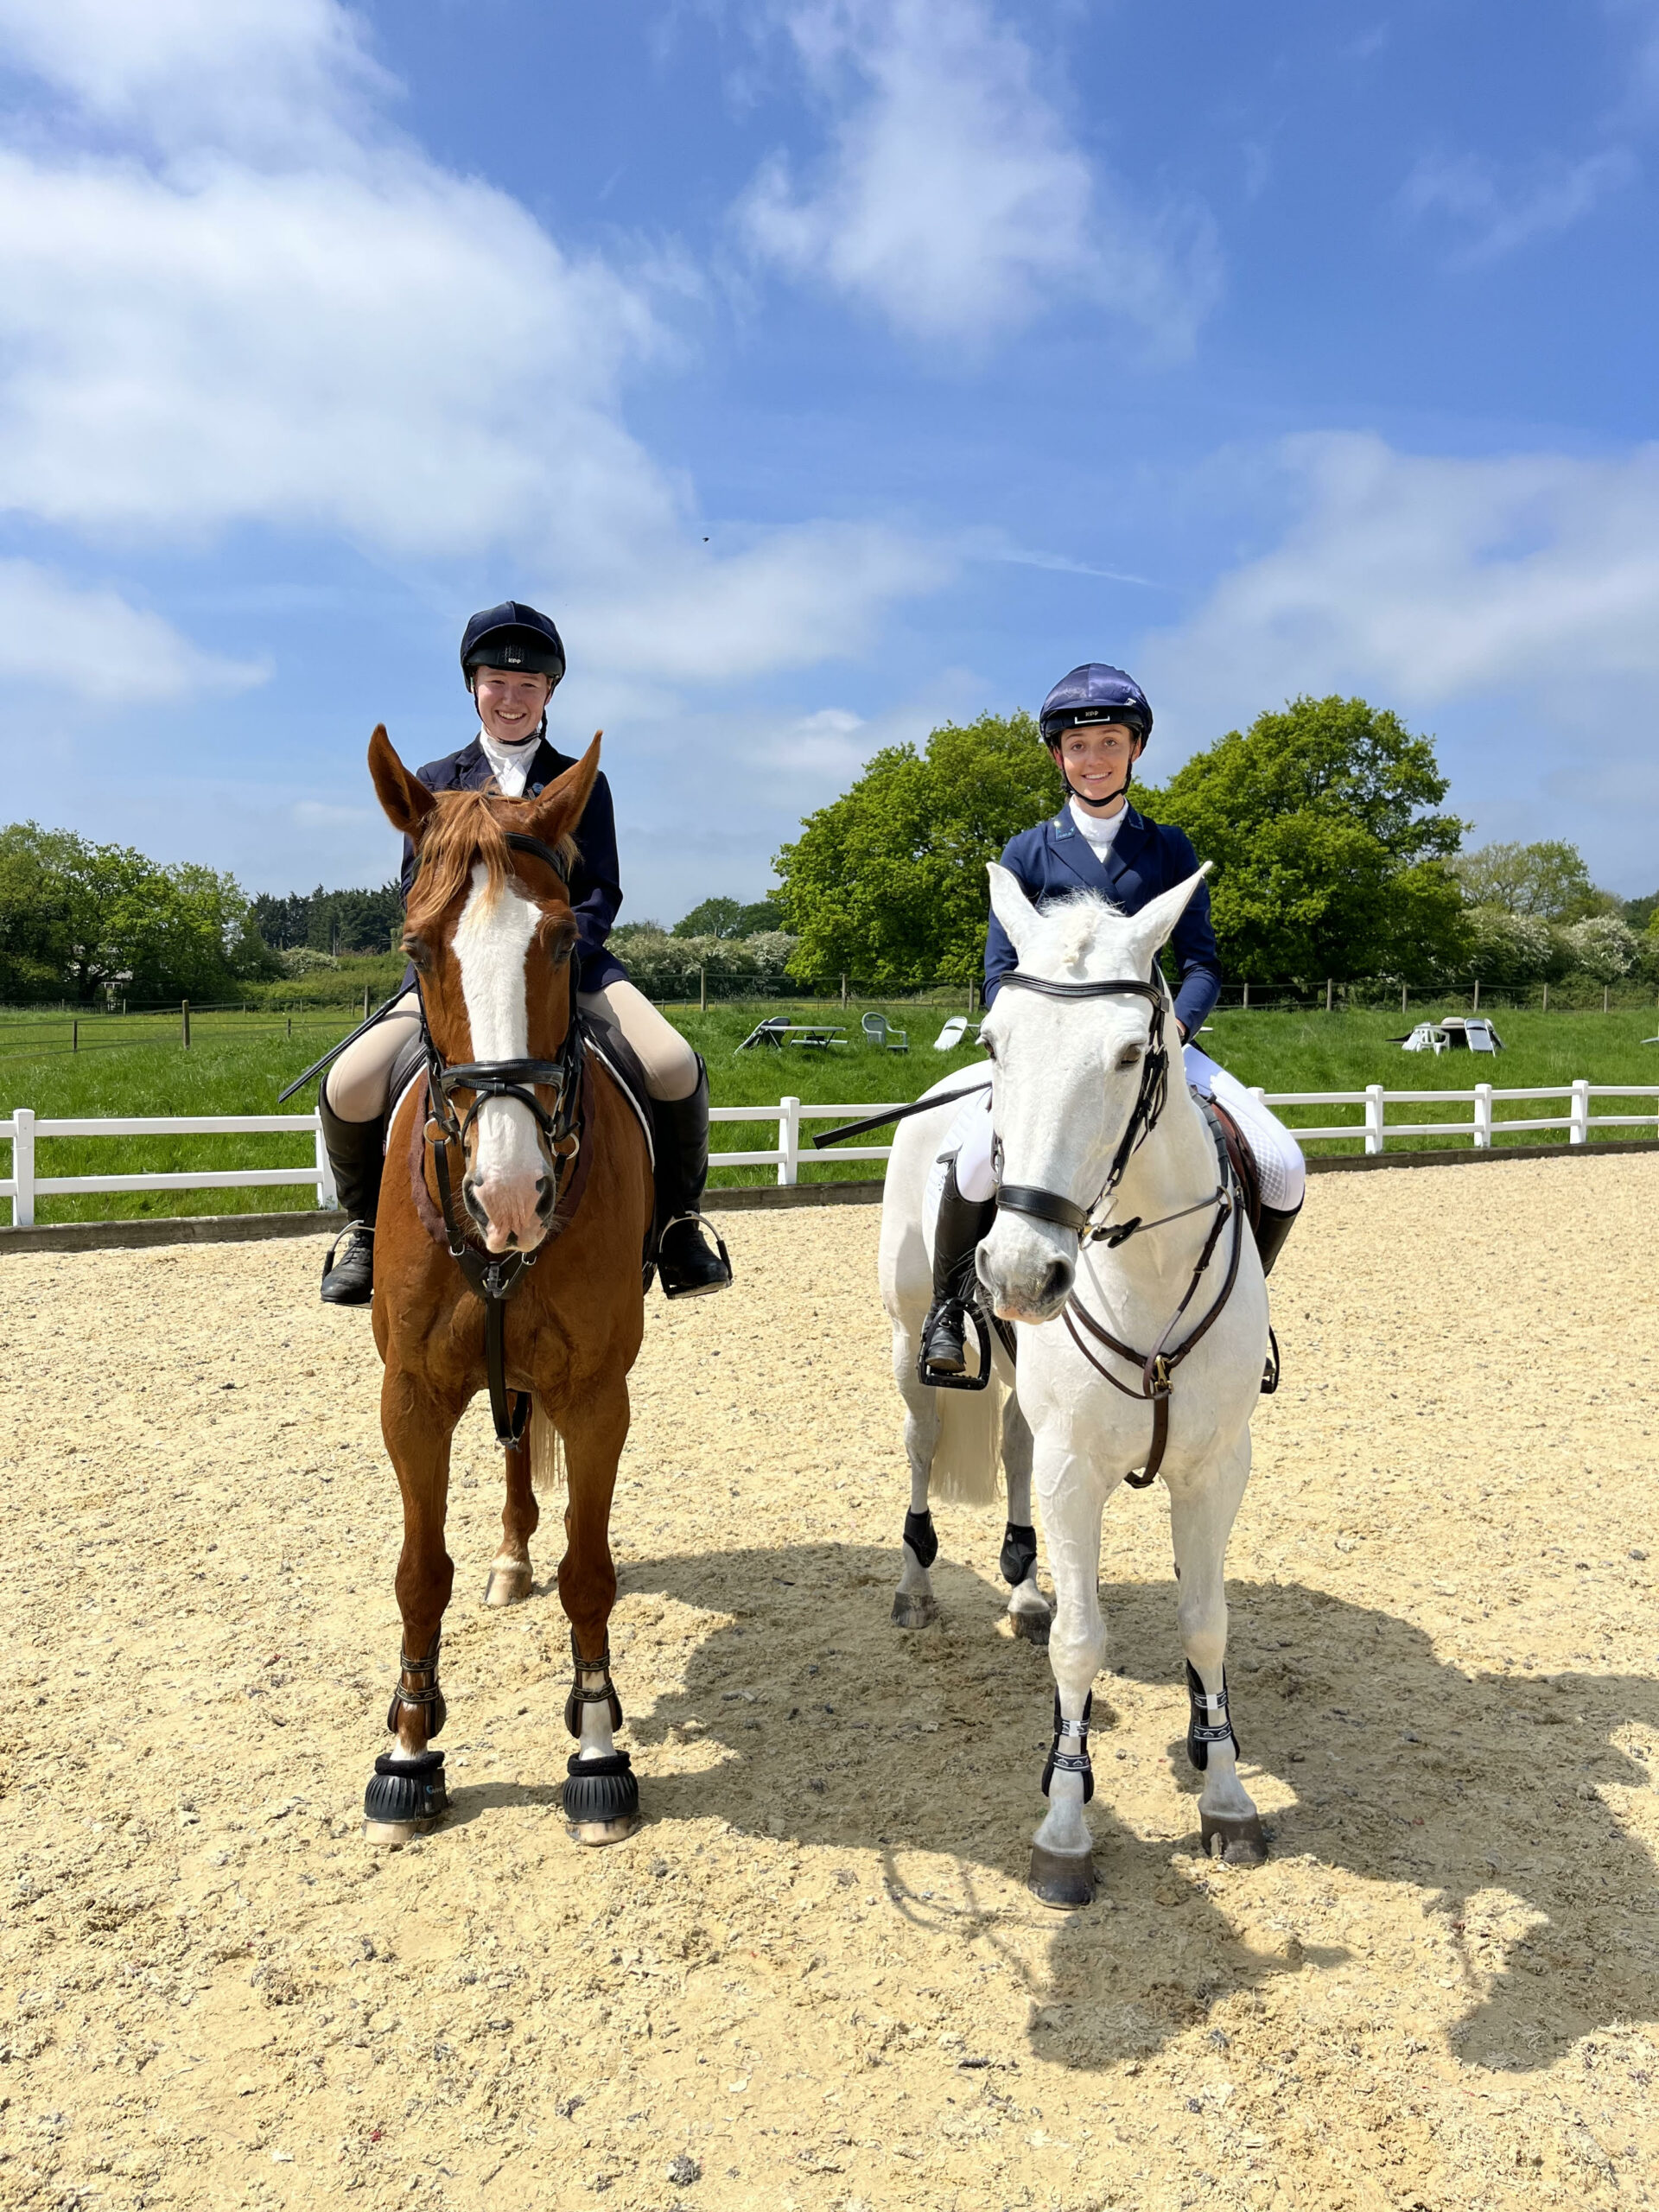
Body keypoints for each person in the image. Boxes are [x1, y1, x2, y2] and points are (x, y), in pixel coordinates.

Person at [316, 600, 734, 1306]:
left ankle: (678, 1228)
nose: (511, 699)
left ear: (548, 694)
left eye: (528, 686)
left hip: (570, 966)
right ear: (473, 686)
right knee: (348, 1084)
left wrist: (559, 959)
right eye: (497, 684)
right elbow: (415, 887)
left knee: (673, 1065)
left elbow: (601, 889)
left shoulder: (582, 784)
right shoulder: (433, 778)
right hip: (461, 975)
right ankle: (362, 1229)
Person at [918, 662, 1305, 1380]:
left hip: (1153, 1045)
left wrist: (1173, 1032)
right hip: (1045, 1056)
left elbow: (1203, 967)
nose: (1093, 760)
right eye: (1077, 746)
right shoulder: (1028, 852)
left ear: (1135, 750)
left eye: (1109, 743)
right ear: (1057, 757)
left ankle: (1245, 1311)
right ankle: (949, 1308)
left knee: (1281, 1164)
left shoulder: (1169, 850)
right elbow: (1000, 972)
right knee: (972, 1161)